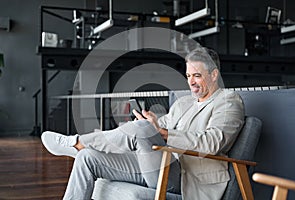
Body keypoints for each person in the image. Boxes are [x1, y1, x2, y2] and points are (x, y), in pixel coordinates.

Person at [42, 47, 245, 200]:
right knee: (88, 158)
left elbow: (213, 142)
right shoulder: (184, 102)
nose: (191, 81)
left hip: (188, 178)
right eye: (188, 76)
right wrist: (153, 123)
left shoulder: (228, 101)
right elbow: (162, 125)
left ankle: (78, 143)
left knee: (142, 129)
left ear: (214, 74)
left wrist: (161, 132)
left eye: (197, 76)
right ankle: (83, 147)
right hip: (162, 164)